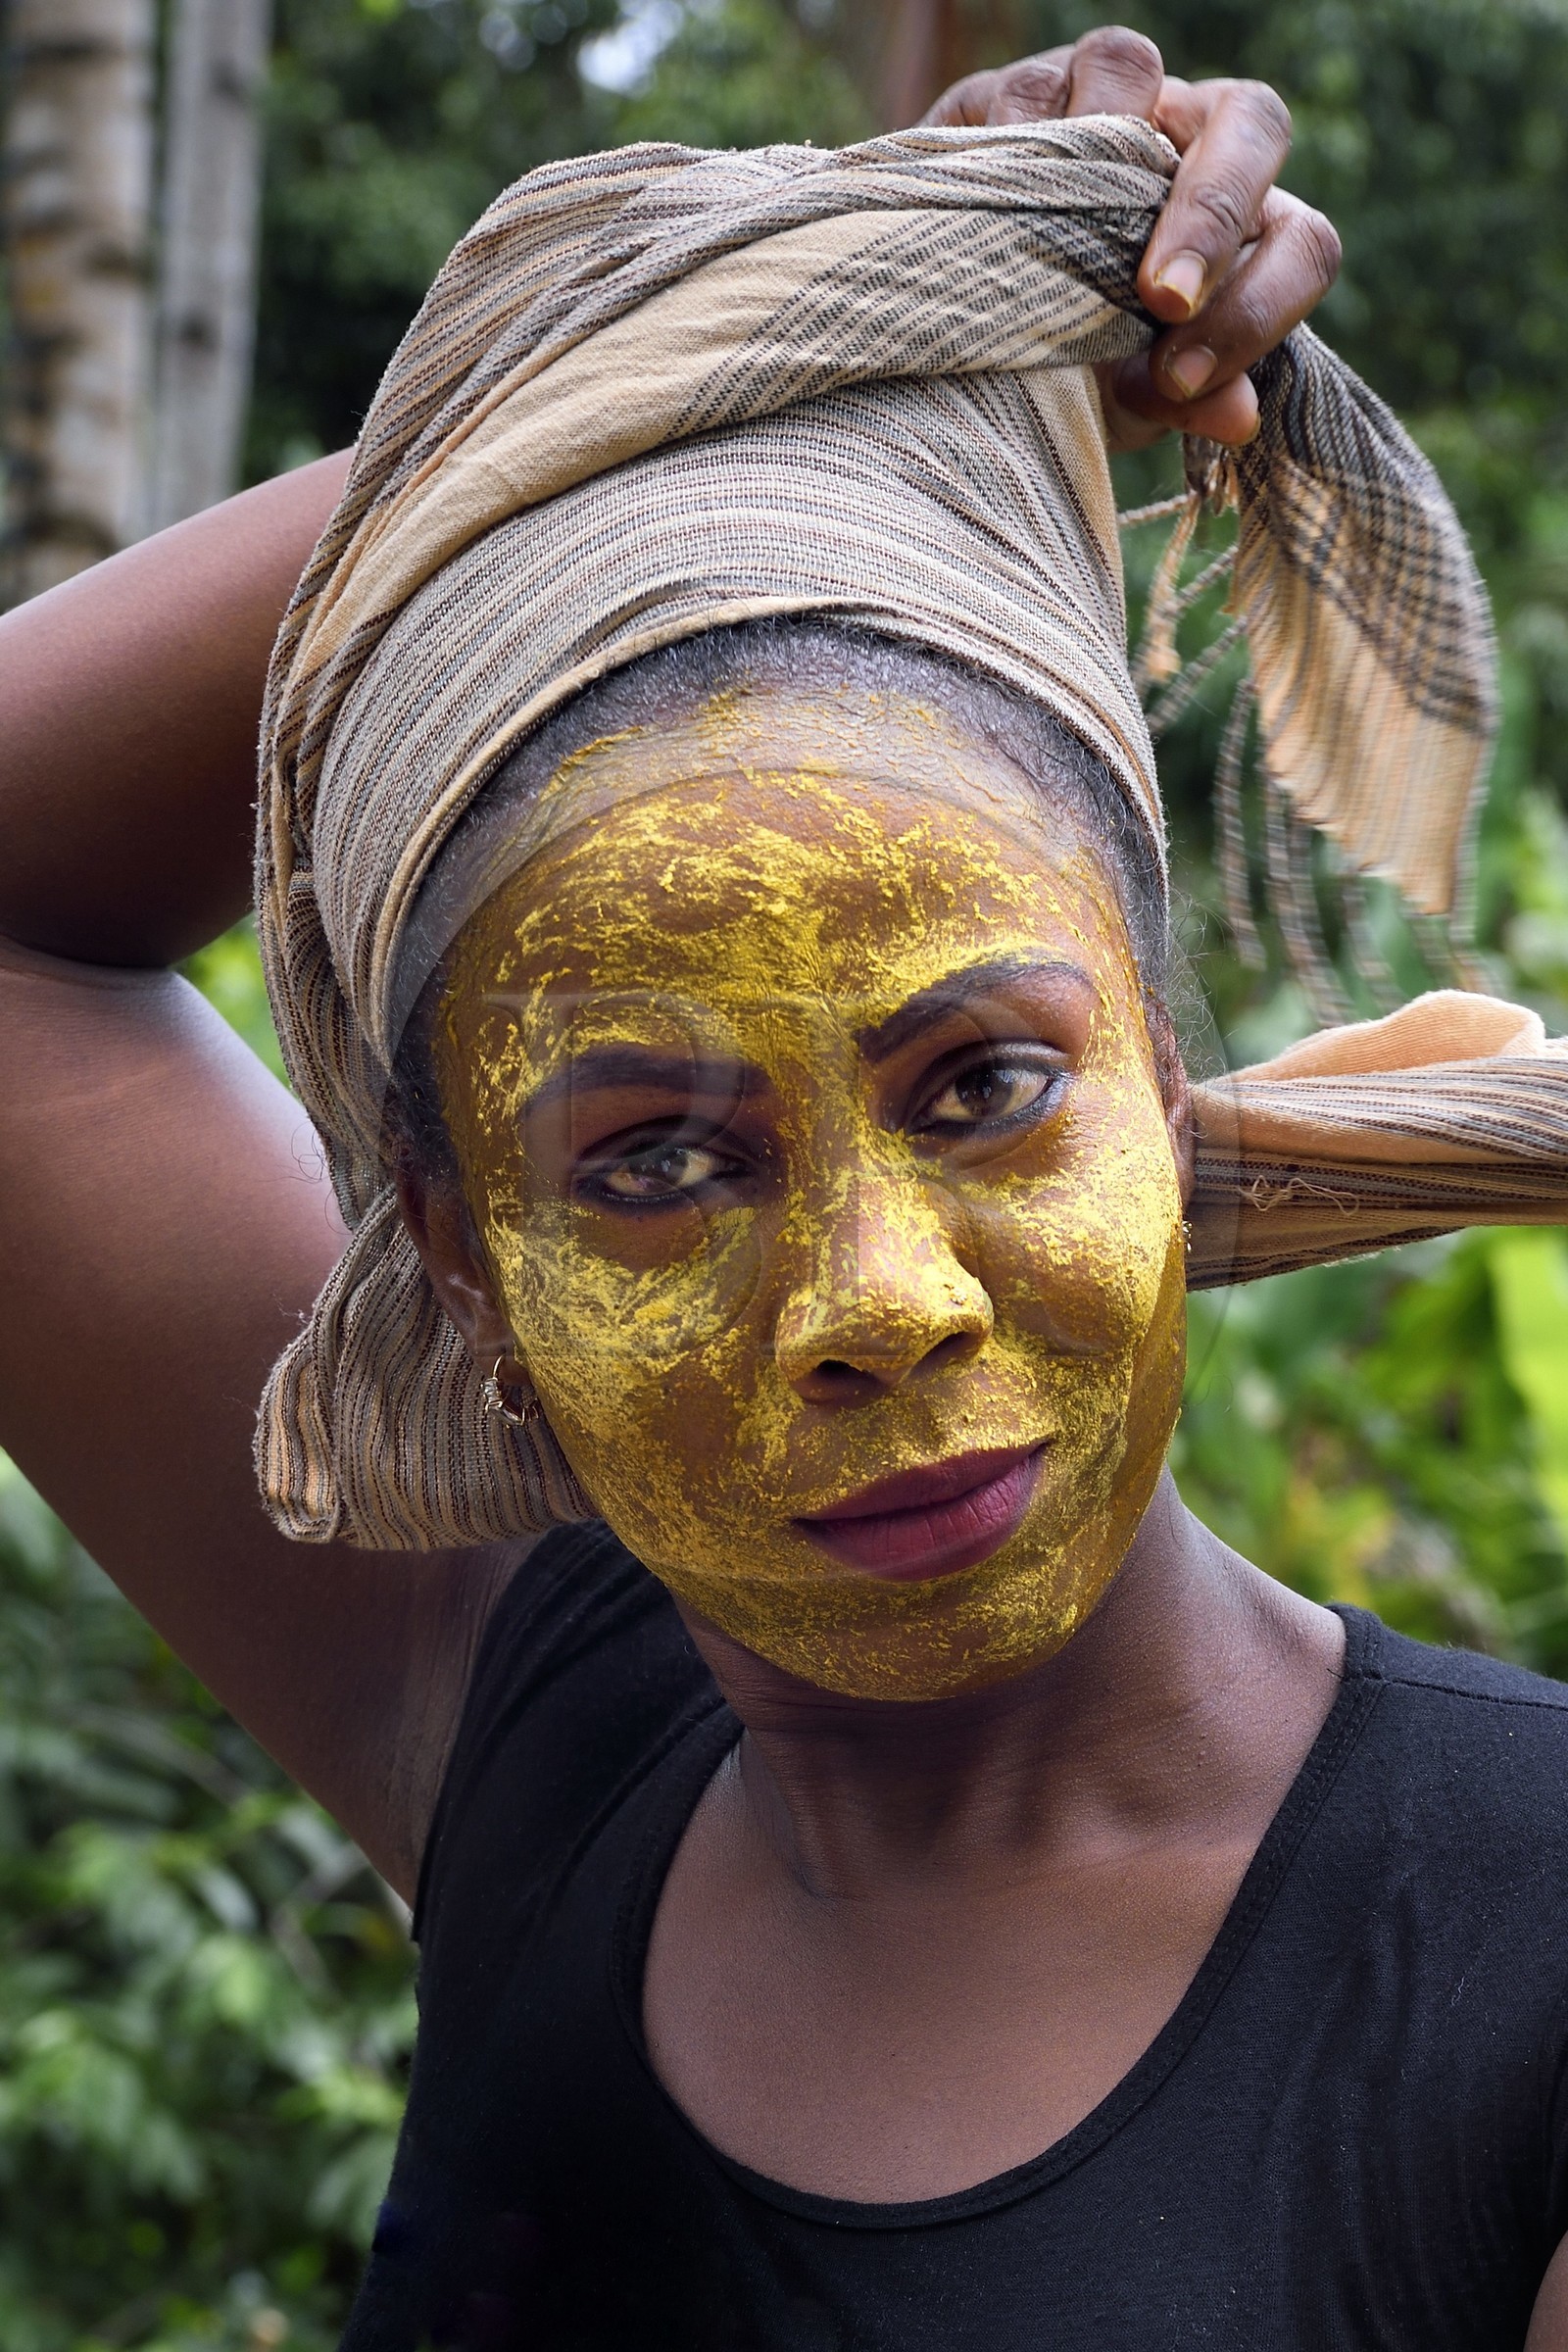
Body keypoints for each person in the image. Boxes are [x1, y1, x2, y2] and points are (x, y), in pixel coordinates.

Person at [2, 27, 1567, 2350]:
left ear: (1154, 1078)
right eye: (653, 1159)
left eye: (980, 1084)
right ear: (464, 1260)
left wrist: (814, 299)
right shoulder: (539, 1730)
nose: (872, 1299)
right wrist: (778, 296)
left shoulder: (1523, 1952)